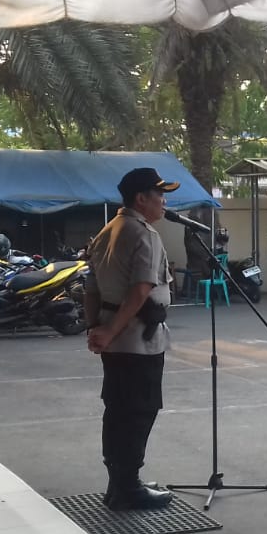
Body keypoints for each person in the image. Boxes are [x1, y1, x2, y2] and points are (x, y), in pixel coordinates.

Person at [84, 167, 177, 510]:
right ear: (141, 198)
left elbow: (90, 288)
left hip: (115, 339)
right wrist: (110, 331)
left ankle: (119, 483)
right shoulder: (144, 234)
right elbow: (140, 291)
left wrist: (96, 329)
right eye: (160, 195)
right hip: (137, 338)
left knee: (118, 409)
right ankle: (127, 488)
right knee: (139, 411)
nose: (164, 202)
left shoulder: (107, 230)